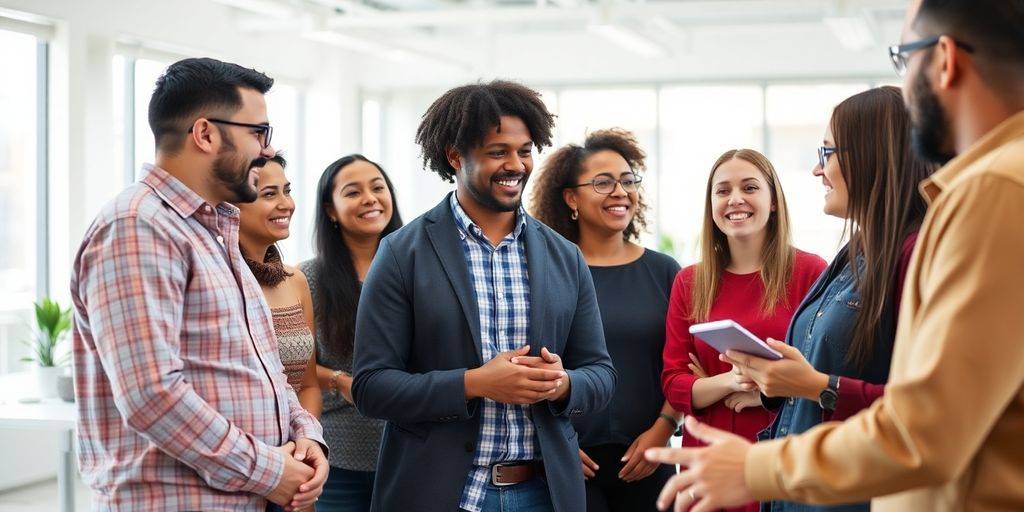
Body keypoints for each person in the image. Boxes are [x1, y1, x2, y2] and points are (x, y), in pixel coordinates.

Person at [646, 1, 1024, 511]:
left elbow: (924, 425)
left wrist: (761, 463)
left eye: (902, 59)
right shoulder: (882, 238)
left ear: (944, 61)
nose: (819, 170)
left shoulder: (994, 191)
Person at [70, 57, 327, 511]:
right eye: (258, 133)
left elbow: (264, 370)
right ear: (206, 133)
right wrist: (271, 472)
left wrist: (306, 436)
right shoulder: (139, 226)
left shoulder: (215, 230)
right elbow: (152, 396)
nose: (266, 151)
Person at [351, 80, 617, 512]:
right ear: (456, 155)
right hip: (442, 493)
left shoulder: (564, 257)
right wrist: (474, 383)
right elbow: (371, 387)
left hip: (544, 493)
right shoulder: (402, 253)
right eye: (498, 152)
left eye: (525, 150)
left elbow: (601, 374)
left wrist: (563, 383)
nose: (516, 165)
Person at [728, 86, 937, 512]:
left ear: (869, 155)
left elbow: (934, 411)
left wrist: (819, 387)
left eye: (826, 154)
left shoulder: (918, 254)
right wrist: (777, 383)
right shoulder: (856, 251)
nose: (816, 171)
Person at [661, 149, 827, 512]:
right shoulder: (689, 281)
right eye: (722, 191)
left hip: (778, 455)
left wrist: (768, 391)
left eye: (749, 187)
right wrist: (733, 382)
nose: (735, 199)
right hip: (705, 459)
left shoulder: (811, 273)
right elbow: (675, 385)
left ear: (773, 203)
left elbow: (823, 378)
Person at [530, 128, 681, 512]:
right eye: (603, 182)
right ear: (570, 198)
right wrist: (554, 445)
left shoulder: (665, 272)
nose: (620, 191)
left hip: (650, 460)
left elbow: (683, 365)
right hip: (570, 464)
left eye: (628, 181)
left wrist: (662, 432)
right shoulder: (545, 273)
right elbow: (528, 362)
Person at [299, 154, 404, 510]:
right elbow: (291, 366)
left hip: (410, 453)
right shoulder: (307, 279)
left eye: (378, 187)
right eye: (353, 192)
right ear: (331, 210)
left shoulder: (417, 272)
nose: (371, 198)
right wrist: (340, 380)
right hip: (340, 458)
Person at [237, 152, 321, 419]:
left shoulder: (295, 280)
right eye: (270, 194)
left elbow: (308, 386)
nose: (287, 204)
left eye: (287, 191)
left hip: (297, 445)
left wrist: (307, 443)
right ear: (231, 205)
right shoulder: (219, 278)